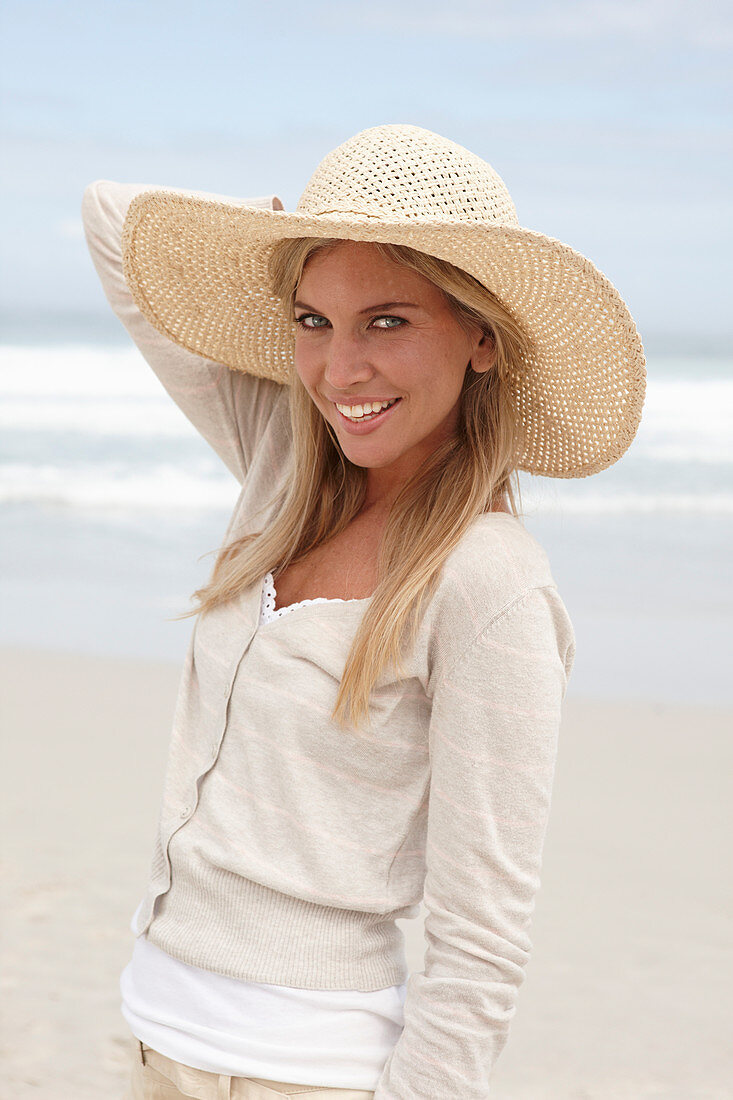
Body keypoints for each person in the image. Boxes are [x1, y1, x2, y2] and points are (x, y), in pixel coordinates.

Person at [82, 123, 646, 1100]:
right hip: (152, 1042)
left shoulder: (489, 584)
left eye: (385, 321)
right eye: (311, 320)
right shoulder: (281, 463)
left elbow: (480, 942)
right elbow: (110, 220)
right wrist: (277, 233)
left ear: (481, 337)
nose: (340, 371)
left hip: (305, 1077)